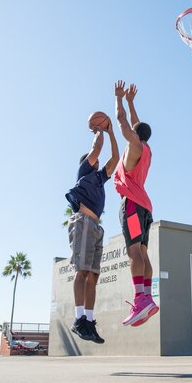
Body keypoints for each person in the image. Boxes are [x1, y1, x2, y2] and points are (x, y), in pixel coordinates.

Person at [65, 102, 119, 344]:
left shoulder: (99, 178)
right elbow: (97, 148)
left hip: (96, 226)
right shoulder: (84, 171)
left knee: (93, 276)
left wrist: (112, 131)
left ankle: (88, 319)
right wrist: (99, 129)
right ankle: (78, 319)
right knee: (82, 271)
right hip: (83, 221)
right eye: (92, 158)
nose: (95, 159)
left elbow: (115, 158)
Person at [113, 80, 158, 327]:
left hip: (130, 203)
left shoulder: (134, 145)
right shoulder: (146, 148)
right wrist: (132, 102)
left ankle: (140, 298)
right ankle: (148, 297)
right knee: (142, 252)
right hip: (145, 207)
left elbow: (122, 122)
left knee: (133, 252)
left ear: (136, 134)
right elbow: (134, 124)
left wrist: (119, 99)